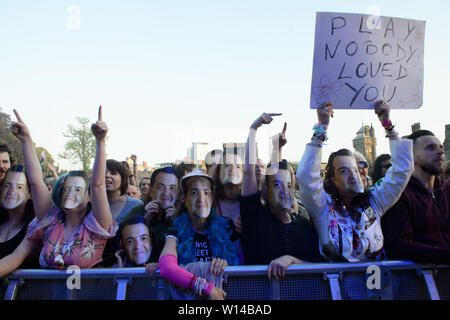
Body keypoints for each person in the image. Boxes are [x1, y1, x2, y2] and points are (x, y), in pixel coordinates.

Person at [297, 101, 414, 262]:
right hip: (336, 284)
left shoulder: (375, 202)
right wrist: (321, 127)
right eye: (343, 171)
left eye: (355, 169)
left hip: (375, 282)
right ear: (332, 179)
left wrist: (388, 124)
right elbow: (306, 176)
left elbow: (402, 171)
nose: (353, 175)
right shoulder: (323, 207)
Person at [6, 106, 115, 270]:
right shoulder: (50, 220)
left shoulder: (97, 223)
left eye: (78, 190)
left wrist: (100, 142)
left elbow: (98, 185)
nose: (71, 193)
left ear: (89, 197)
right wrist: (26, 140)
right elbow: (36, 182)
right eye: (67, 189)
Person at [241, 113, 323, 280]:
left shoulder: (305, 225)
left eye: (288, 185)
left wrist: (292, 261)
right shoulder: (256, 218)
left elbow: (320, 266)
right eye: (277, 185)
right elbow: (249, 171)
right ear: (265, 191)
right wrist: (253, 129)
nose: (284, 190)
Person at [158, 169, 239, 300]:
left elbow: (242, 264)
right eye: (194, 193)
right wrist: (205, 287)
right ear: (184, 199)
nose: (201, 198)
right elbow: (166, 267)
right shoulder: (175, 229)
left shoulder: (227, 225)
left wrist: (226, 264)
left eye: (206, 193)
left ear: (212, 199)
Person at [381, 130, 450, 264]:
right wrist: (445, 256)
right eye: (430, 148)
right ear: (412, 157)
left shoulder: (447, 190)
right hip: (419, 279)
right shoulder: (399, 194)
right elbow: (397, 245)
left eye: (441, 147)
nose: (440, 152)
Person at [115, 166, 180, 266]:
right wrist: (144, 222)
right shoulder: (138, 211)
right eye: (160, 187)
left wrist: (176, 222)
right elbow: (118, 242)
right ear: (151, 190)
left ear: (178, 193)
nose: (166, 193)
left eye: (172, 188)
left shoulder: (183, 215)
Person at [0, 166, 36, 264]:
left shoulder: (33, 228)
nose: (11, 192)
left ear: (29, 194)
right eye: (7, 186)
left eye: (19, 187)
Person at [213, 151, 243, 232]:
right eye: (226, 165)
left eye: (237, 166)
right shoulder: (210, 204)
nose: (232, 169)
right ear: (218, 172)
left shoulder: (251, 204)